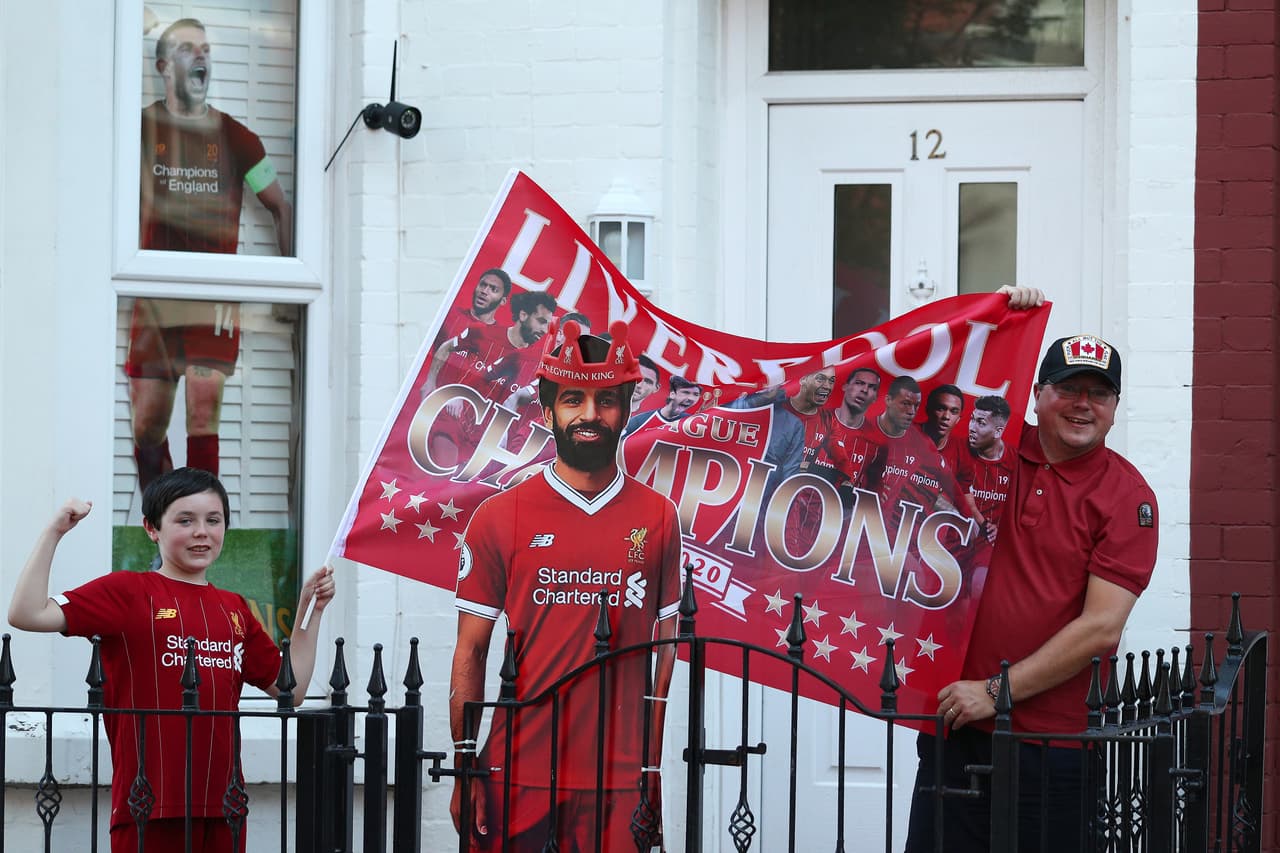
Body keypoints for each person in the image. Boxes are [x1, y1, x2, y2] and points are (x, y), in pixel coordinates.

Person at [904, 319, 1161, 853]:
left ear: (1115, 407)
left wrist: (993, 694)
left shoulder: (1127, 496)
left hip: (1054, 741)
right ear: (1037, 395)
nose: (1082, 404)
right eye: (1067, 388)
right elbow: (927, 390)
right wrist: (998, 319)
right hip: (956, 721)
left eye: (1099, 393)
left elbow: (1100, 628)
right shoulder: (991, 449)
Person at [7, 467, 335, 853]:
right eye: (185, 520)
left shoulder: (234, 607)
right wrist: (55, 531)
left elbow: (290, 689)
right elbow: (27, 614)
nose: (202, 532)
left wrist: (309, 612)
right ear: (151, 528)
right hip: (147, 807)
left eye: (213, 520)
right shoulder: (128, 591)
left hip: (225, 807)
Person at [450, 318, 682, 851]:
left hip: (619, 780)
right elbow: (471, 648)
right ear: (549, 407)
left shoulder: (659, 516)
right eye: (573, 399)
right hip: (517, 772)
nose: (590, 415)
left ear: (626, 408)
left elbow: (665, 659)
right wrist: (465, 763)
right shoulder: (498, 516)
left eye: (606, 401)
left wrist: (652, 767)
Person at [130, 18, 295, 491]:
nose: (201, 56)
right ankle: (160, 522)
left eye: (205, 48)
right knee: (148, 425)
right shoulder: (137, 128)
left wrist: (286, 283)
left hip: (213, 296)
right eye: (187, 48)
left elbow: (280, 206)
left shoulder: (237, 138)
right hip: (152, 292)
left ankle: (205, 526)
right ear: (163, 65)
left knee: (203, 412)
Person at [424, 290, 557, 468]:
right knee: (440, 476)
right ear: (523, 315)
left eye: (547, 325)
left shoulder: (535, 365)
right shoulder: (482, 333)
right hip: (455, 424)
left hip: (487, 444)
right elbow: (446, 347)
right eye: (541, 321)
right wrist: (430, 381)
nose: (543, 330)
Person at [624, 374, 703, 434]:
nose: (691, 398)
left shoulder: (692, 424)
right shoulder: (639, 421)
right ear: (672, 394)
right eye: (686, 392)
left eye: (696, 394)